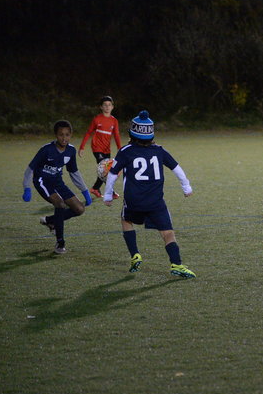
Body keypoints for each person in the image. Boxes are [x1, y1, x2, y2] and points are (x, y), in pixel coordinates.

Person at [103, 111, 196, 278]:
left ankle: (135, 254)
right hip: (155, 202)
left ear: (132, 133)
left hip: (134, 201)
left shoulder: (125, 151)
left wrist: (108, 195)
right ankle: (176, 264)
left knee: (126, 220)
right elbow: (176, 168)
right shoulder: (159, 150)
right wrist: (186, 186)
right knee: (168, 233)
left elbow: (112, 174)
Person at [22, 120, 92, 254]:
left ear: (71, 135)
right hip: (42, 181)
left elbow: (74, 172)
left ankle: (50, 221)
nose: (64, 138)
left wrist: (85, 191)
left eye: (67, 135)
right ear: (56, 135)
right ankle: (60, 242)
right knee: (60, 204)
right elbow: (30, 169)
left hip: (58, 182)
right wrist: (27, 188)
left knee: (79, 209)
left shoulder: (71, 151)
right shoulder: (46, 150)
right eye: (61, 135)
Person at [78, 95, 121, 199]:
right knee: (104, 169)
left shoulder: (114, 121)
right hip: (97, 147)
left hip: (107, 149)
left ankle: (95, 188)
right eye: (105, 105)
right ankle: (110, 192)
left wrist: (119, 148)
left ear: (112, 107)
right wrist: (82, 147)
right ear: (101, 107)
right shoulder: (97, 119)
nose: (107, 107)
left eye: (109, 105)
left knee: (106, 170)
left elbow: (116, 135)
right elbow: (88, 133)